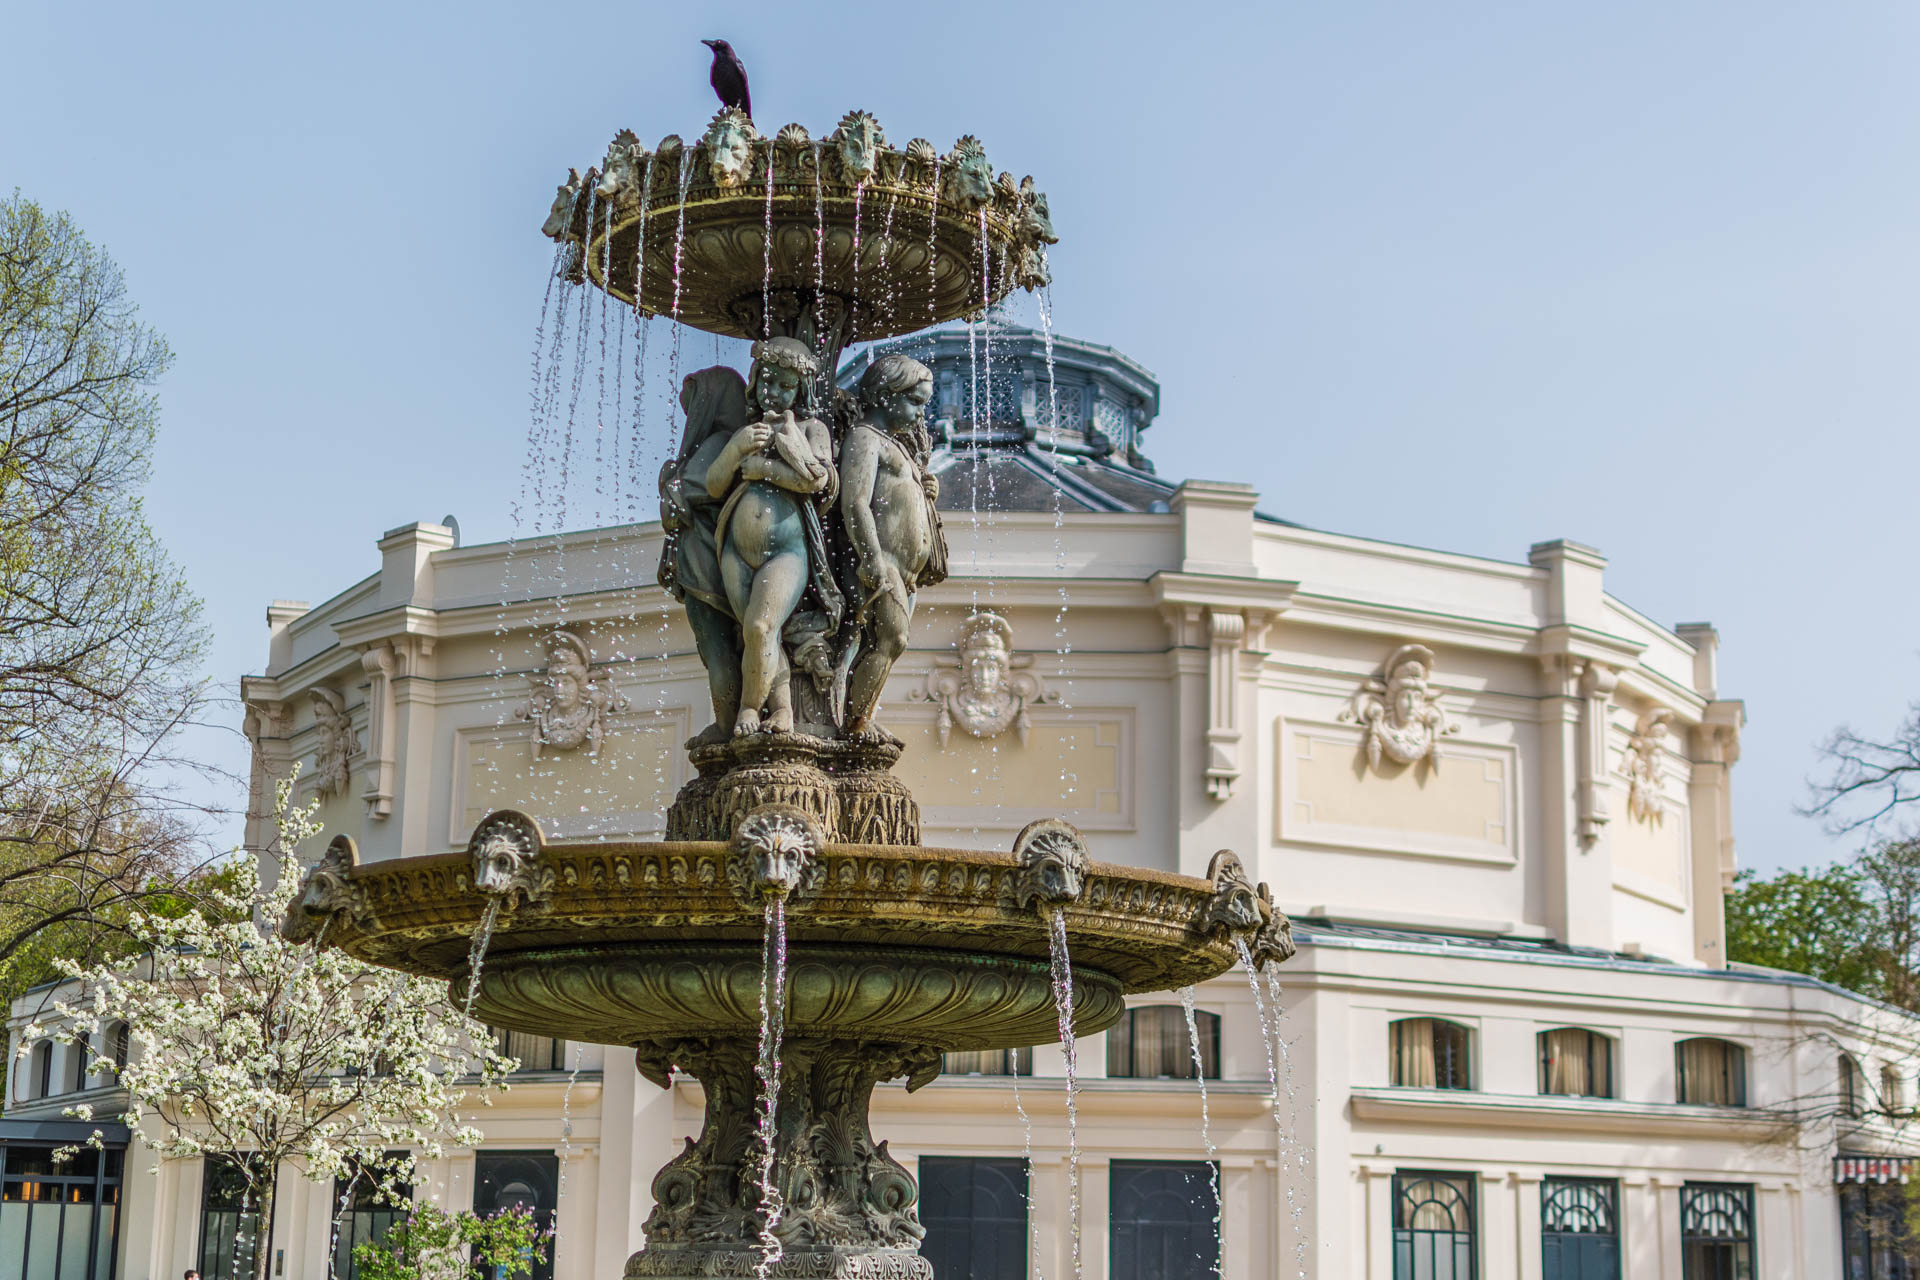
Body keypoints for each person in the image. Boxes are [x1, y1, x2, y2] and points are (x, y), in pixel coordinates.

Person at [705, 337, 841, 735]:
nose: (775, 391)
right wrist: (734, 450)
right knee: (757, 631)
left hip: (787, 550)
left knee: (762, 627)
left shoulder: (812, 429)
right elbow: (715, 485)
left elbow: (818, 481)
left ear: (802, 390)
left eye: (786, 385)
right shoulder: (747, 431)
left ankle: (750, 707)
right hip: (734, 548)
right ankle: (782, 710)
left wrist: (762, 467)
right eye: (768, 380)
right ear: (754, 379)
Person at [838, 353, 944, 734]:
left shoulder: (894, 445)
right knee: (892, 638)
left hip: (906, 572)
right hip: (880, 563)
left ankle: (860, 716)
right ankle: (852, 724)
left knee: (886, 644)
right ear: (884, 395)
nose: (920, 414)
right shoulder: (865, 438)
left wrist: (927, 486)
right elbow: (855, 501)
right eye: (915, 401)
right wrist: (870, 559)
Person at [658, 366, 750, 742]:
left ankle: (726, 726)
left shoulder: (717, 445)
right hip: (725, 560)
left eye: (694, 406)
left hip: (702, 564)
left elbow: (680, 501)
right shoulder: (736, 441)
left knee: (716, 649)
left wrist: (670, 484)